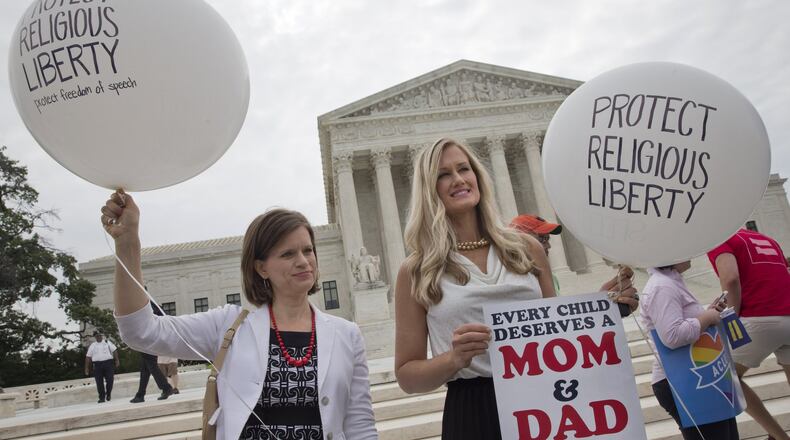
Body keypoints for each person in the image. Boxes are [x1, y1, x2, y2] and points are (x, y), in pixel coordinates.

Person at [393, 138, 638, 440]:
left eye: (463, 169)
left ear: (477, 176)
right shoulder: (416, 270)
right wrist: (453, 359)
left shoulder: (526, 248)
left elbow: (556, 331)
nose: (458, 180)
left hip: (543, 399)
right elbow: (407, 376)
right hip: (474, 410)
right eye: (443, 174)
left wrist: (599, 309)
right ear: (429, 189)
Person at [101, 191, 377, 440]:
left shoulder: (346, 334)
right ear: (261, 268)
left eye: (308, 250)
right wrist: (127, 244)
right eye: (288, 254)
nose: (303, 261)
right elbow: (140, 331)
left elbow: (360, 426)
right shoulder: (229, 327)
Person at [640, 260, 738, 439]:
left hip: (695, 375)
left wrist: (707, 313)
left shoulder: (670, 282)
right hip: (681, 380)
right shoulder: (662, 286)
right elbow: (673, 335)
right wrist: (707, 317)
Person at [708, 228, 790, 440]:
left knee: (727, 380)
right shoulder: (766, 238)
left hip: (759, 318)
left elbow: (731, 279)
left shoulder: (718, 236)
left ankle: (779, 436)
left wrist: (731, 320)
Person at [130, 303, 174, 403]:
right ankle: (140, 394)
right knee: (145, 368)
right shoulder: (149, 304)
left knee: (151, 365)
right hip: (149, 338)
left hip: (148, 339)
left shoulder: (145, 306)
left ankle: (166, 388)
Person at [510, 214, 563, 292]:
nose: (549, 246)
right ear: (519, 241)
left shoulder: (552, 278)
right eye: (543, 239)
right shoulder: (507, 281)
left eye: (548, 239)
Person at [84, 330, 119, 403]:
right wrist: (86, 368)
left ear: (102, 336)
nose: (99, 337)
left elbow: (114, 350)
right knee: (99, 382)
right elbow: (88, 357)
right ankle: (102, 398)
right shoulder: (93, 345)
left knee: (110, 380)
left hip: (108, 364)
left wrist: (117, 360)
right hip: (97, 365)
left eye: (100, 335)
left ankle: (108, 393)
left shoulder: (107, 342)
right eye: (97, 336)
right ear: (95, 337)